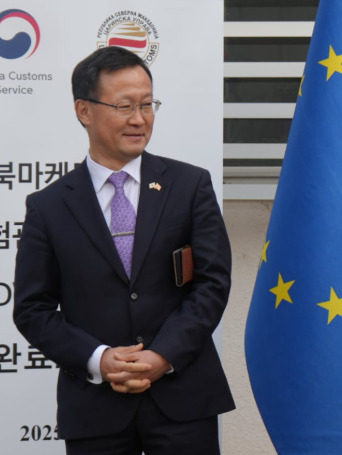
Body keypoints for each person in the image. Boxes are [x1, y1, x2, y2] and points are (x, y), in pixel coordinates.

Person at [13, 46, 234, 454]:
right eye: (124, 106)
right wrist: (98, 358)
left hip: (183, 402)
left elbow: (212, 283)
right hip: (96, 411)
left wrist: (163, 355)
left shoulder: (189, 186)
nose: (139, 119)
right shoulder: (49, 207)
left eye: (147, 105)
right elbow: (32, 308)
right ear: (84, 111)